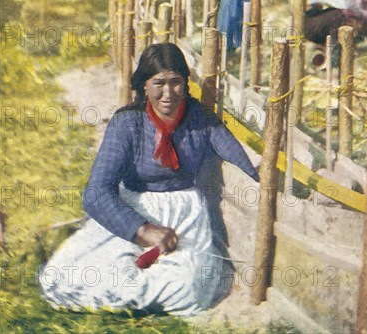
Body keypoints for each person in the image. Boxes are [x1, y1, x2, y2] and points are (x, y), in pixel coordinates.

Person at [40, 43, 259, 315]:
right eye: (159, 83)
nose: (168, 94)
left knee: (192, 286)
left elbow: (242, 160)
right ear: (144, 85)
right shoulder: (127, 123)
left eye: (176, 83)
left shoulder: (201, 119)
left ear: (186, 84)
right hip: (135, 209)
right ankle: (138, 292)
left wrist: (262, 180)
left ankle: (145, 295)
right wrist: (142, 230)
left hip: (185, 216)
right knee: (66, 276)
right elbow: (96, 193)